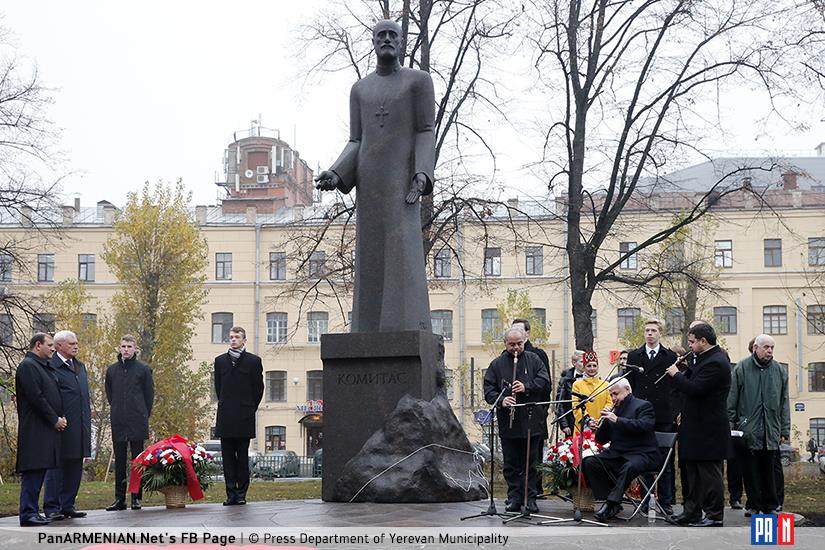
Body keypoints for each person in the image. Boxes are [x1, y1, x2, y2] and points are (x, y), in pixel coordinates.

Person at [314, 19, 435, 333]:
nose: (386, 40)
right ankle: (366, 330)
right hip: (369, 184)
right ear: (372, 41)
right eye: (380, 35)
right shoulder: (360, 89)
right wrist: (336, 173)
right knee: (369, 256)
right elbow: (356, 140)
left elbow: (425, 130)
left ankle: (405, 329)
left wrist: (421, 173)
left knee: (401, 255)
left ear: (401, 42)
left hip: (402, 183)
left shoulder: (418, 81)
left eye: (392, 35)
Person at [666, 323, 730, 527]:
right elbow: (693, 380)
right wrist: (684, 370)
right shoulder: (702, 359)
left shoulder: (717, 362)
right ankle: (691, 511)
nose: (690, 346)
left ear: (704, 341)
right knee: (691, 470)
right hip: (693, 426)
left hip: (708, 428)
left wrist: (676, 374)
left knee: (709, 472)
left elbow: (695, 389)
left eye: (692, 342)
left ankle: (713, 514)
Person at [483, 327, 551, 513]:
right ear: (505, 343)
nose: (515, 348)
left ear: (524, 342)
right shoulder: (496, 364)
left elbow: (544, 381)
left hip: (530, 420)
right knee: (511, 463)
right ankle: (514, 497)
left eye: (519, 344)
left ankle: (530, 498)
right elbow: (489, 389)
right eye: (511, 344)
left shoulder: (534, 359)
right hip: (508, 422)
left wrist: (526, 386)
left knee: (530, 462)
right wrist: (502, 399)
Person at [728, 334, 790, 516]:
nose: (769, 351)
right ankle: (753, 504)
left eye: (772, 347)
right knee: (750, 469)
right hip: (748, 429)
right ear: (755, 348)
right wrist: (732, 426)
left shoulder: (779, 371)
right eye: (766, 347)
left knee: (769, 469)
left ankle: (771, 504)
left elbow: (784, 402)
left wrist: (784, 428)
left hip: (771, 428)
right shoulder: (741, 368)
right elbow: (732, 400)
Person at [582, 378, 661, 521]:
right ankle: (610, 501)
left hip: (642, 453)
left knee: (629, 466)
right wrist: (604, 422)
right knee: (590, 462)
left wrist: (617, 420)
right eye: (611, 395)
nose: (613, 398)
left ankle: (611, 503)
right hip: (619, 453)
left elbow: (644, 426)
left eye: (615, 394)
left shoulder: (643, 406)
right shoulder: (614, 410)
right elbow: (601, 440)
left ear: (627, 390)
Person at [626, 318, 679, 515]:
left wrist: (675, 413)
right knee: (644, 459)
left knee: (664, 461)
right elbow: (629, 386)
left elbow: (676, 389)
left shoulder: (670, 356)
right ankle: (646, 500)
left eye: (653, 330)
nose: (649, 333)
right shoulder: (634, 356)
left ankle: (665, 501)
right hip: (641, 416)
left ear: (660, 333)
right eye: (647, 330)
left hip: (664, 416)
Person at [15, 333, 66, 526]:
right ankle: (28, 513)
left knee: (39, 471)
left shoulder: (41, 366)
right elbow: (36, 398)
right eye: (50, 345)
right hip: (35, 429)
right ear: (38, 345)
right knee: (33, 471)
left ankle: (33, 511)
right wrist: (54, 419)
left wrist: (59, 416)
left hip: (44, 429)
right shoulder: (28, 367)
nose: (53, 349)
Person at [214, 326, 264, 506]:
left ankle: (241, 493)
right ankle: (230, 494)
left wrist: (250, 408)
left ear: (244, 340)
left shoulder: (253, 361)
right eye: (231, 337)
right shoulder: (220, 361)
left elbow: (258, 388)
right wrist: (225, 404)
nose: (233, 340)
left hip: (244, 417)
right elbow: (218, 387)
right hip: (226, 417)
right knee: (227, 458)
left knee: (242, 457)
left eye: (237, 337)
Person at [44, 330, 90, 520]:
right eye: (71, 343)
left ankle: (67, 504)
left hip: (79, 426)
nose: (75, 346)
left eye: (76, 343)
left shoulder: (79, 367)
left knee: (74, 466)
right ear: (59, 345)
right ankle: (52, 506)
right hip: (60, 426)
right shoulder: (51, 367)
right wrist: (55, 418)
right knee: (57, 467)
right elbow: (48, 397)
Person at [105, 335, 154, 511]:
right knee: (119, 461)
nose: (126, 349)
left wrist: (142, 413)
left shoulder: (143, 370)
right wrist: (118, 409)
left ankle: (136, 497)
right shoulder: (112, 370)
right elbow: (110, 394)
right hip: (118, 420)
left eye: (129, 346)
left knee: (137, 460)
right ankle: (119, 499)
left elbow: (149, 396)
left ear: (135, 349)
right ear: (119, 348)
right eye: (123, 346)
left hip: (137, 420)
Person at [511, 317, 551, 496]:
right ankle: (518, 492)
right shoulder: (507, 356)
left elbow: (545, 383)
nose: (517, 333)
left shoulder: (538, 355)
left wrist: (542, 410)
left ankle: (535, 490)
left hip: (534, 411)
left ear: (527, 333)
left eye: (520, 330)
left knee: (534, 454)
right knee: (515, 456)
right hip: (514, 414)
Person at [571, 351, 611, 433]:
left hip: (602, 425)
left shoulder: (605, 384)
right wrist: (588, 420)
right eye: (589, 366)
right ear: (584, 368)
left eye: (594, 366)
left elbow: (610, 403)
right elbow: (576, 406)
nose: (592, 368)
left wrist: (602, 418)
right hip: (583, 426)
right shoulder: (577, 385)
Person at [555, 350, 584, 437]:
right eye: (582, 361)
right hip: (571, 421)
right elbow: (560, 403)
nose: (585, 364)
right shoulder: (566, 379)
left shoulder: (592, 378)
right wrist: (564, 424)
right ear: (574, 363)